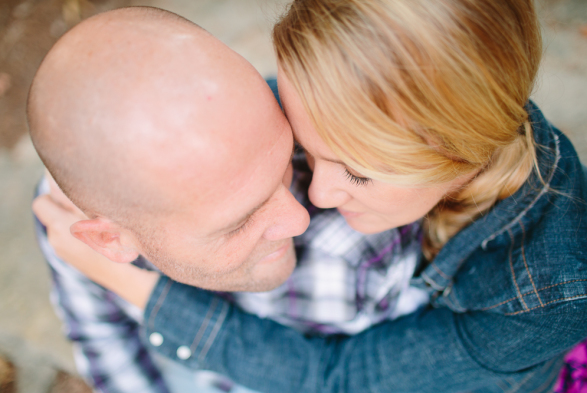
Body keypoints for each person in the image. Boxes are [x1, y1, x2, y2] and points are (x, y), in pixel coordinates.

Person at [47, 0, 587, 391]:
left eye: (355, 172)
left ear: (466, 157)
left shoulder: (547, 299)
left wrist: (138, 292)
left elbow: (343, 379)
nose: (315, 198)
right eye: (303, 145)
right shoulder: (352, 112)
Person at [30, 6, 427, 392]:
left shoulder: (366, 250)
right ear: (109, 241)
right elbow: (102, 338)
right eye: (240, 221)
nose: (301, 215)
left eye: (286, 158)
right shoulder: (69, 210)